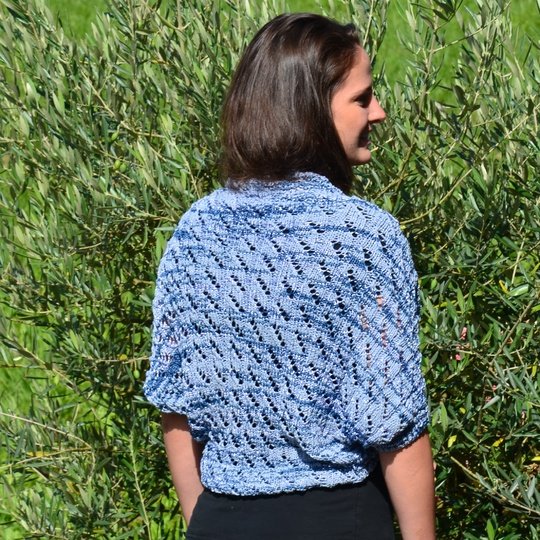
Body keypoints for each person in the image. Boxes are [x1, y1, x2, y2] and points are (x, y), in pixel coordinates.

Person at [143, 12, 436, 540]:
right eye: (363, 98)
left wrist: (202, 523)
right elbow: (396, 425)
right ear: (312, 110)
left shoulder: (196, 231)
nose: (379, 112)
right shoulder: (362, 237)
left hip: (222, 520)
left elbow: (177, 406)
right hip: (337, 521)